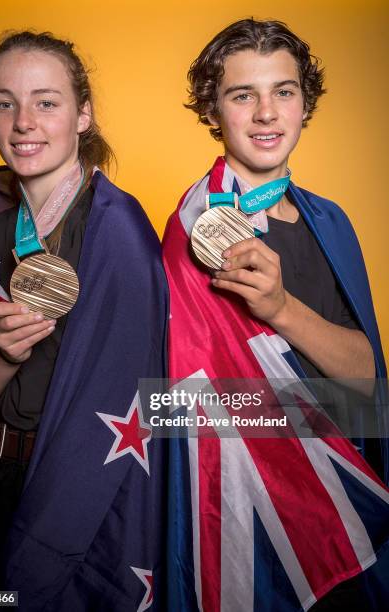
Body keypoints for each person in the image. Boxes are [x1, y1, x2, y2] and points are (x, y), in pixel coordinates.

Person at [162, 19, 389, 611]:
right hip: (255, 508)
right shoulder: (194, 231)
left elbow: (367, 379)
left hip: (348, 486)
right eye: (243, 95)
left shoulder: (329, 220)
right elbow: (179, 403)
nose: (267, 113)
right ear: (214, 111)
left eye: (283, 91)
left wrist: (282, 309)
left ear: (304, 102)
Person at [0, 31, 168, 611]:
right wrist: (1, 357)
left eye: (46, 102)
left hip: (75, 488)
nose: (23, 122)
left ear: (83, 115)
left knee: (35, 597)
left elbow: (137, 393)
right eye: (4, 102)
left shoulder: (118, 230)